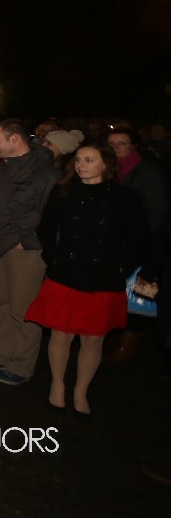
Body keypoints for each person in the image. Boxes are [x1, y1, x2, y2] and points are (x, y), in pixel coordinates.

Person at [27, 145, 147, 414]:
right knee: (61, 333)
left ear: (106, 165)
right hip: (66, 273)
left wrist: (121, 267)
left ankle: (81, 391)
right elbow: (46, 227)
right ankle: (58, 384)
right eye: (79, 160)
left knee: (93, 338)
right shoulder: (63, 192)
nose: (81, 165)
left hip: (104, 276)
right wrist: (53, 257)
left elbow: (139, 238)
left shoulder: (125, 197)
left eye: (89, 160)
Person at [0, 119, 59, 386]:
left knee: (23, 308)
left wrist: (27, 239)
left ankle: (21, 364)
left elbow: (46, 214)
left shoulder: (45, 173)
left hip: (23, 248)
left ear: (15, 139)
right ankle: (1, 354)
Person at [104, 125, 168, 363]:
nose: (116, 148)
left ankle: (131, 342)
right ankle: (122, 336)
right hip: (120, 242)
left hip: (145, 245)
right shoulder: (110, 169)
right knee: (121, 292)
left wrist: (142, 245)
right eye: (111, 144)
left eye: (122, 143)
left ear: (133, 146)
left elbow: (157, 213)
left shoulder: (147, 171)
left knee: (141, 292)